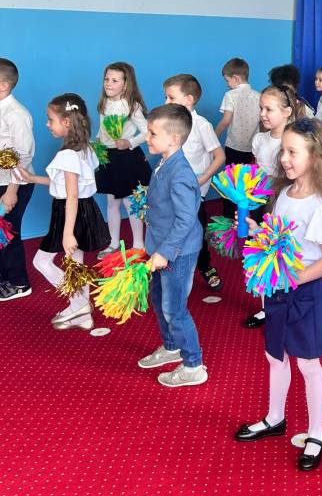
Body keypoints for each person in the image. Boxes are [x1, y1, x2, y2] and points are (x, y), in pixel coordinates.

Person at [234, 118, 322, 471]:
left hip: (306, 293)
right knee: (275, 356)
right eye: (282, 151)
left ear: (315, 157)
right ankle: (275, 417)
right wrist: (258, 231)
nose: (284, 159)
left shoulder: (319, 205)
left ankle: (316, 433)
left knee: (308, 364)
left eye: (292, 152)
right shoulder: (284, 195)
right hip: (278, 288)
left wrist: (294, 278)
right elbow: (279, 238)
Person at [19, 94, 109, 330]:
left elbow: (71, 194)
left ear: (67, 122)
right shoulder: (84, 148)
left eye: (51, 119)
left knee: (41, 261)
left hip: (70, 211)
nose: (47, 124)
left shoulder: (67, 154)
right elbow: (66, 185)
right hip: (84, 208)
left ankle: (79, 304)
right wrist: (33, 178)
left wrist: (68, 233)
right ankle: (83, 317)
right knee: (75, 264)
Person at [137, 104, 206, 388]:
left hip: (178, 251)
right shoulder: (164, 161)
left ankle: (193, 365)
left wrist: (165, 253)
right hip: (160, 246)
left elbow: (186, 219)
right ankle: (171, 346)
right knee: (158, 299)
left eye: (153, 133)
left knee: (174, 309)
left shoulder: (181, 173)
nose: (147, 137)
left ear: (174, 139)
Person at [164, 74, 226, 291]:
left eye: (171, 98)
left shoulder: (201, 125)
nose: (166, 102)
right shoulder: (169, 124)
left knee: (194, 232)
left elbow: (219, 156)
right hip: (171, 188)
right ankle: (169, 266)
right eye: (166, 97)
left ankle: (205, 266)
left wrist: (202, 179)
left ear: (188, 100)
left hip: (193, 192)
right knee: (170, 228)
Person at [244, 84, 299, 328]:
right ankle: (267, 307)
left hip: (285, 201)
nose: (263, 114)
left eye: (269, 109)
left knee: (285, 253)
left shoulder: (295, 140)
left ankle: (290, 303)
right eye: (261, 108)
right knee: (264, 253)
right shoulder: (259, 139)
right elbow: (256, 169)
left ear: (287, 112)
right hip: (261, 202)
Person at [94, 62, 152, 259]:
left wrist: (129, 142)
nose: (108, 84)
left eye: (114, 80)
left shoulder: (132, 106)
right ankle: (113, 243)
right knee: (112, 203)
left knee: (130, 204)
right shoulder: (104, 103)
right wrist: (97, 144)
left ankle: (138, 244)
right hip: (108, 157)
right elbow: (102, 129)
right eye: (106, 79)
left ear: (126, 84)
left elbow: (147, 132)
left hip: (126, 158)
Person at [0, 58, 35, 302]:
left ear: (4, 85)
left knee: (9, 232)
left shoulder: (17, 114)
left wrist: (12, 190)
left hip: (14, 184)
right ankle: (3, 277)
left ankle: (20, 283)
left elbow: (23, 156)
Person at [215, 57, 261, 171]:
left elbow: (226, 121)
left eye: (227, 80)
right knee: (250, 179)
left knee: (232, 179)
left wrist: (214, 136)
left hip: (233, 147)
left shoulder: (230, 95)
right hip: (253, 149)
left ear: (236, 78)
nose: (227, 84)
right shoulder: (259, 96)